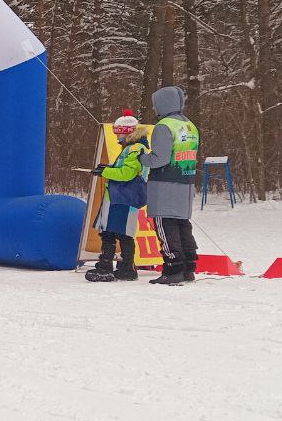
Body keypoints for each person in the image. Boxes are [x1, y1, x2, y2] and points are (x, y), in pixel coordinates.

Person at [138, 85, 200, 284]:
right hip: (186, 181)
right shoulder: (189, 125)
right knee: (183, 224)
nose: (154, 109)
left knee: (165, 224)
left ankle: (173, 268)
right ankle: (189, 268)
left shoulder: (163, 126)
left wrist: (142, 158)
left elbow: (160, 159)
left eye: (155, 105)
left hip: (165, 184)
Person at [86, 110, 148, 282]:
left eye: (118, 132)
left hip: (126, 197)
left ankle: (125, 266)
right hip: (117, 197)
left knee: (123, 233)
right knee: (109, 231)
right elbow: (121, 168)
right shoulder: (128, 148)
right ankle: (110, 264)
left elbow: (127, 173)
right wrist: (106, 168)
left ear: (127, 132)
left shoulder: (136, 149)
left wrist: (105, 171)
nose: (116, 136)